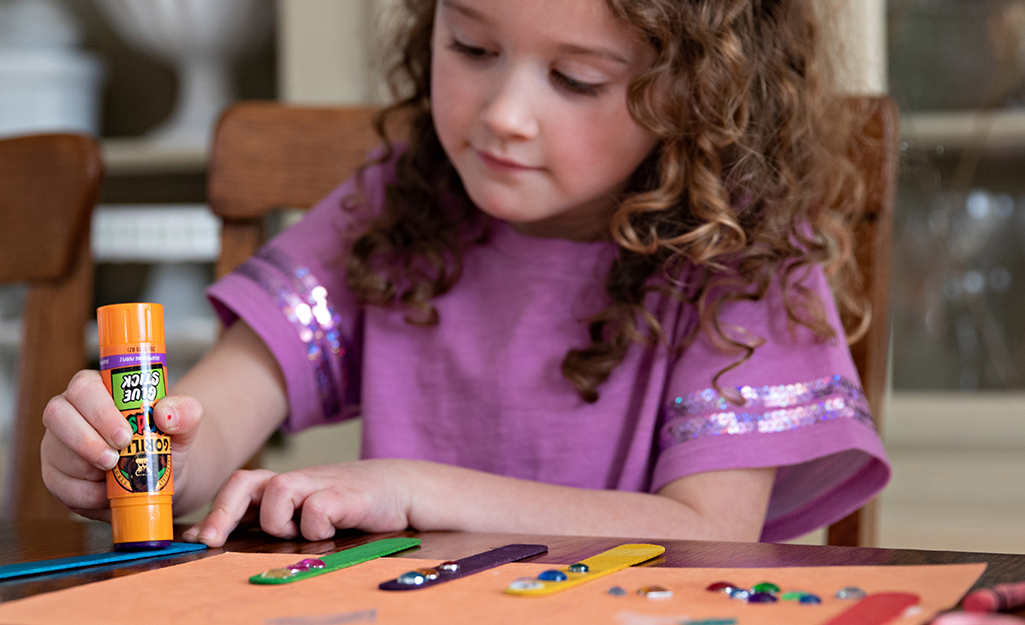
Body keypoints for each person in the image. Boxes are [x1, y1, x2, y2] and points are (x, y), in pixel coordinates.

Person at [41, 0, 890, 548]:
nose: (503, 115)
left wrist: (412, 489)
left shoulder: (738, 254)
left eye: (573, 77)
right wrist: (138, 455)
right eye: (472, 45)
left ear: (698, 90)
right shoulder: (393, 205)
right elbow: (221, 409)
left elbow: (710, 533)